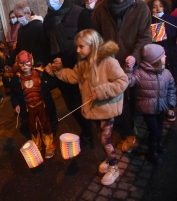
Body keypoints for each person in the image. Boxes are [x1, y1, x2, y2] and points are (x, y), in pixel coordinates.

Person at [51, 29, 128, 185]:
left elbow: (122, 81)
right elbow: (73, 76)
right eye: (77, 47)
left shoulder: (109, 62)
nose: (77, 50)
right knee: (102, 137)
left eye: (81, 47)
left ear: (92, 45)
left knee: (105, 139)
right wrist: (58, 72)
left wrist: (100, 91)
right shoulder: (83, 63)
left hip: (106, 108)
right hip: (94, 110)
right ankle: (108, 159)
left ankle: (113, 167)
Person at [91, 0, 152, 152]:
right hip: (109, 63)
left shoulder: (140, 7)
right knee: (119, 97)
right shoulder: (101, 8)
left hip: (131, 63)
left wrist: (135, 55)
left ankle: (137, 130)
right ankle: (129, 132)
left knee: (133, 98)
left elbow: (145, 37)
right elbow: (94, 37)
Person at [44, 0, 94, 147]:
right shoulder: (48, 18)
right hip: (59, 70)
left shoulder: (80, 13)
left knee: (83, 102)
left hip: (79, 67)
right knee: (71, 104)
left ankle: (89, 133)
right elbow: (46, 44)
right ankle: (86, 131)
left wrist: (65, 61)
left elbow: (90, 41)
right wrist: (48, 63)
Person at [7, 2, 59, 133]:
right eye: (17, 17)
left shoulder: (38, 27)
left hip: (38, 68)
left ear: (28, 14)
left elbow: (46, 47)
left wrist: (44, 64)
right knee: (29, 96)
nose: (18, 19)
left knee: (43, 96)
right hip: (25, 68)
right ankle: (34, 124)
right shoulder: (21, 30)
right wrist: (10, 61)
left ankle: (52, 123)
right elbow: (19, 48)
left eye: (20, 16)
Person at [125, 44, 176, 165]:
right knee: (154, 130)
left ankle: (157, 144)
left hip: (161, 107)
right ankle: (151, 153)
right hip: (148, 109)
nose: (166, 56)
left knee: (159, 128)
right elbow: (127, 82)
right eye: (163, 55)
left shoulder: (166, 73)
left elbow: (171, 88)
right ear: (155, 60)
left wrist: (171, 102)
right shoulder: (139, 73)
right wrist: (128, 70)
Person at [10, 50, 56, 158]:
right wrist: (16, 104)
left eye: (27, 62)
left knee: (46, 126)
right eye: (21, 63)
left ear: (31, 61)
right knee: (33, 128)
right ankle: (37, 146)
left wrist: (52, 73)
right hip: (28, 108)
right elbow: (13, 95)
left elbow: (52, 85)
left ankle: (49, 147)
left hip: (42, 105)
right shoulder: (15, 79)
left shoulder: (40, 74)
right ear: (18, 63)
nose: (24, 65)